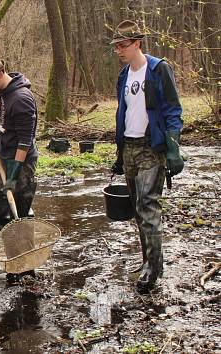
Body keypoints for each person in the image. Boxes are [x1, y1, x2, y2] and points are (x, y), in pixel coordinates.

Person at [109, 20, 184, 293]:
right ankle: (147, 261)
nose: (119, 51)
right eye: (116, 46)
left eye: (123, 45)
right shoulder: (123, 76)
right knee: (136, 206)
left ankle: (154, 266)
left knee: (148, 205)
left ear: (137, 43)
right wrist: (119, 153)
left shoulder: (158, 69)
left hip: (152, 147)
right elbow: (123, 113)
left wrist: (173, 149)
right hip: (128, 145)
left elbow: (173, 110)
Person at [0, 53, 39, 282]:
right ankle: (17, 258)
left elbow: (25, 140)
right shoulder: (2, 92)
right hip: (4, 159)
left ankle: (26, 266)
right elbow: (5, 125)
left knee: (18, 213)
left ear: (1, 73)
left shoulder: (21, 98)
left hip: (20, 163)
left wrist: (13, 174)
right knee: (0, 210)